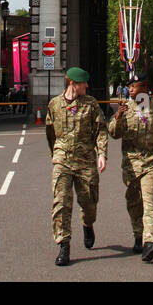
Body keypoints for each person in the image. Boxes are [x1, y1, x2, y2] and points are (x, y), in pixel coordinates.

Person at [107, 74, 153, 262]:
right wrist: (118, 116)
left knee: (150, 203)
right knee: (134, 203)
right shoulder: (125, 108)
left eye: (134, 86)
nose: (130, 89)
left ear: (145, 87)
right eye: (129, 86)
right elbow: (113, 133)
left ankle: (150, 242)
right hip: (130, 165)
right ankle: (138, 234)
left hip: (152, 164)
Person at [45, 66, 107, 266]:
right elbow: (50, 132)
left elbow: (101, 130)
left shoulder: (91, 104)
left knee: (89, 203)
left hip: (86, 160)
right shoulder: (54, 104)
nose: (87, 86)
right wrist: (55, 154)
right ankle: (64, 245)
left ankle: (87, 224)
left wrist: (102, 154)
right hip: (62, 160)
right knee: (61, 203)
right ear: (73, 83)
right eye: (84, 83)